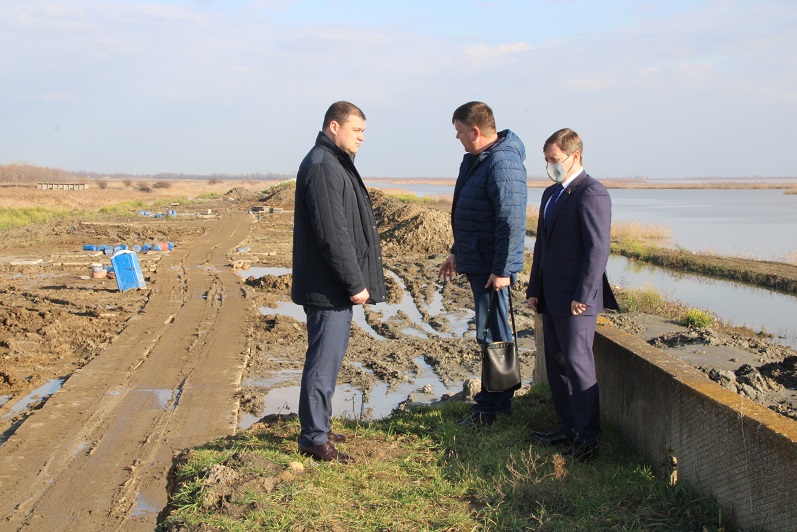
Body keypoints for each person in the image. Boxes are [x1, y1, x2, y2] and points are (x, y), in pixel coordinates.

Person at [291, 101, 386, 463]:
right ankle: (314, 438)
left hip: (331, 284)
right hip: (327, 286)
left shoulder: (333, 163)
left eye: (364, 131)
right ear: (334, 126)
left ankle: (321, 426)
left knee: (328, 359)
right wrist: (354, 282)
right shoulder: (322, 166)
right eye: (356, 130)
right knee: (323, 360)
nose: (362, 137)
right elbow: (334, 234)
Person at [526, 128, 618, 461]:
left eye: (554, 159)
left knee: (579, 366)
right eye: (547, 159)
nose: (549, 165)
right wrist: (534, 288)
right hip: (551, 295)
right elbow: (542, 246)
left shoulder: (592, 193)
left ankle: (588, 439)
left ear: (573, 155)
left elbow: (598, 248)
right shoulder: (551, 193)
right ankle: (567, 428)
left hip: (578, 300)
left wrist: (584, 294)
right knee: (556, 364)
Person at [438, 101, 528, 427]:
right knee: (492, 332)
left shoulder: (502, 163)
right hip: (481, 261)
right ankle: (497, 404)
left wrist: (504, 270)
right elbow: (473, 213)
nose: (458, 138)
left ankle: (489, 409)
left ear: (475, 131)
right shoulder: (481, 160)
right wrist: (456, 251)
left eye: (460, 132)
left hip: (493, 269)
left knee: (492, 334)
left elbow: (512, 220)